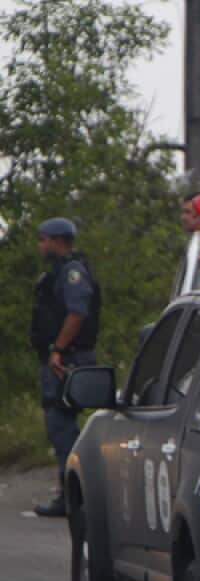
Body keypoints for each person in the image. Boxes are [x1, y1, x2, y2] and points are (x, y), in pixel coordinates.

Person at [29, 218, 101, 518]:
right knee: (59, 425)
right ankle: (71, 493)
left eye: (44, 239)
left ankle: (73, 496)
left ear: (58, 241)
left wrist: (58, 349)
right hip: (62, 357)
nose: (40, 245)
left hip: (68, 358)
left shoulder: (72, 273)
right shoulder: (58, 273)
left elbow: (77, 313)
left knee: (62, 426)